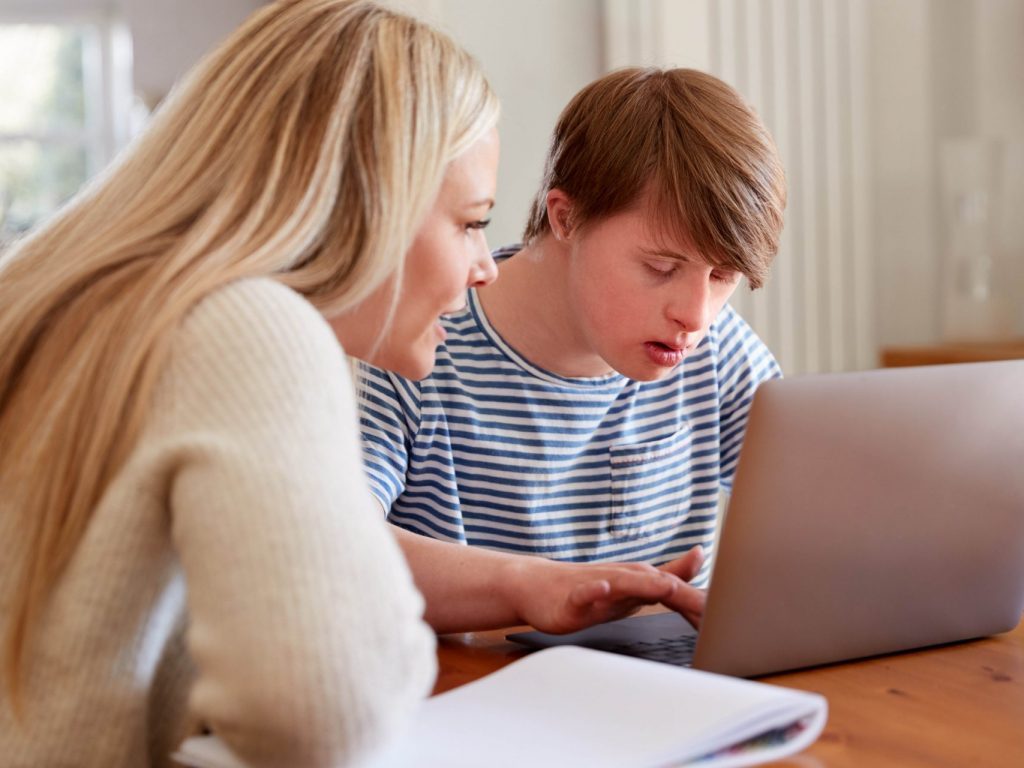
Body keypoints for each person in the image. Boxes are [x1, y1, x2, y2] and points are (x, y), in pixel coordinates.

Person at [0, 3, 706, 765]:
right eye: (471, 222)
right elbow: (329, 708)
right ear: (366, 199)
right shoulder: (249, 331)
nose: (485, 265)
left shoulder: (72, 300)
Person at [356, 66, 786, 616]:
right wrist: (525, 587)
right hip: (476, 685)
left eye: (723, 277)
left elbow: (820, 515)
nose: (695, 315)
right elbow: (338, 545)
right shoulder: (417, 341)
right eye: (661, 266)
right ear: (566, 217)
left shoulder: (718, 349)